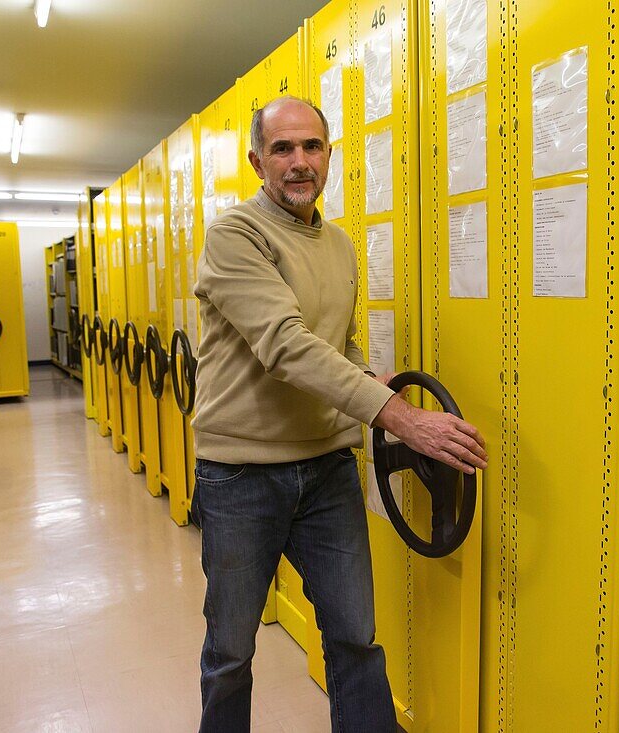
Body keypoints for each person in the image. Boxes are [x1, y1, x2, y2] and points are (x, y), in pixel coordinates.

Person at [190, 95, 488, 732]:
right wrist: (399, 418)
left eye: (312, 147)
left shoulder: (342, 244)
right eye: (283, 149)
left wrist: (365, 379)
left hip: (326, 468)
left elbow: (339, 347)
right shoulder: (236, 235)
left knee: (356, 636)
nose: (299, 162)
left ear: (329, 156)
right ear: (256, 161)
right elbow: (286, 345)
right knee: (231, 651)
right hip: (241, 474)